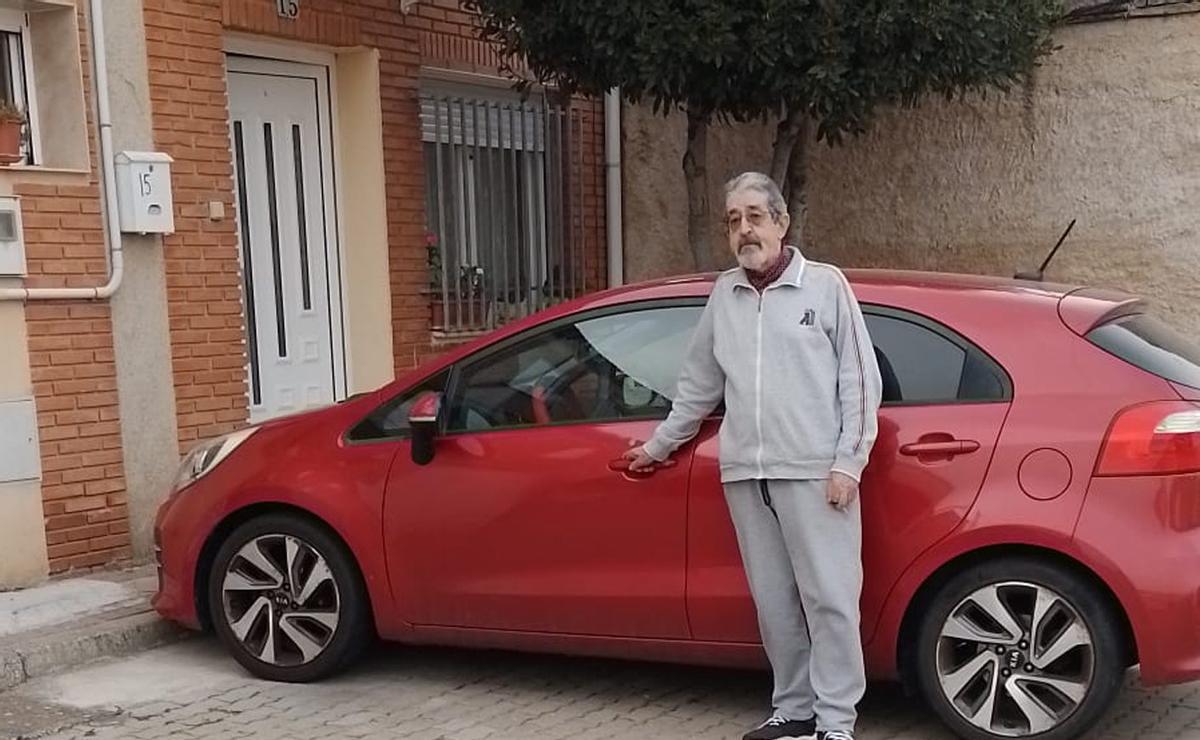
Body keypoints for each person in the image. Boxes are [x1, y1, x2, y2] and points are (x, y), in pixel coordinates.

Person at [624, 172, 882, 740]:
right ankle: (793, 711)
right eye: (733, 220)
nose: (744, 230)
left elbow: (859, 380)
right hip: (747, 475)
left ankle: (836, 724)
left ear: (782, 223)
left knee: (831, 601)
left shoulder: (826, 286)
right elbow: (698, 384)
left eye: (755, 217)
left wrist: (848, 463)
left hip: (815, 473)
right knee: (774, 605)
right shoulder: (726, 293)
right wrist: (659, 445)